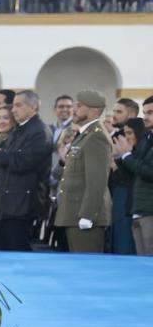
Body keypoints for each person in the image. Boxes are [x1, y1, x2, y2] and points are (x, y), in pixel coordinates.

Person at [0, 90, 53, 251]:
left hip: (23, 203)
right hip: (11, 203)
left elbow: (23, 162)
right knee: (8, 249)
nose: (14, 110)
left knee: (18, 250)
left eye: (19, 105)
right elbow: (10, 156)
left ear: (33, 107)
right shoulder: (22, 129)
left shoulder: (39, 131)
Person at [54, 90, 112, 252]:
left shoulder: (96, 137)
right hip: (74, 212)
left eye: (79, 105)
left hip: (84, 215)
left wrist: (88, 214)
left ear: (93, 110)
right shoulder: (85, 134)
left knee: (89, 268)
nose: (74, 108)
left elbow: (97, 181)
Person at [115, 96, 153, 254]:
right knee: (142, 263)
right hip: (138, 208)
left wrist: (127, 156)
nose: (145, 117)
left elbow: (150, 172)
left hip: (150, 210)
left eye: (150, 112)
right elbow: (132, 175)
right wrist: (120, 157)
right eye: (144, 112)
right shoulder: (147, 138)